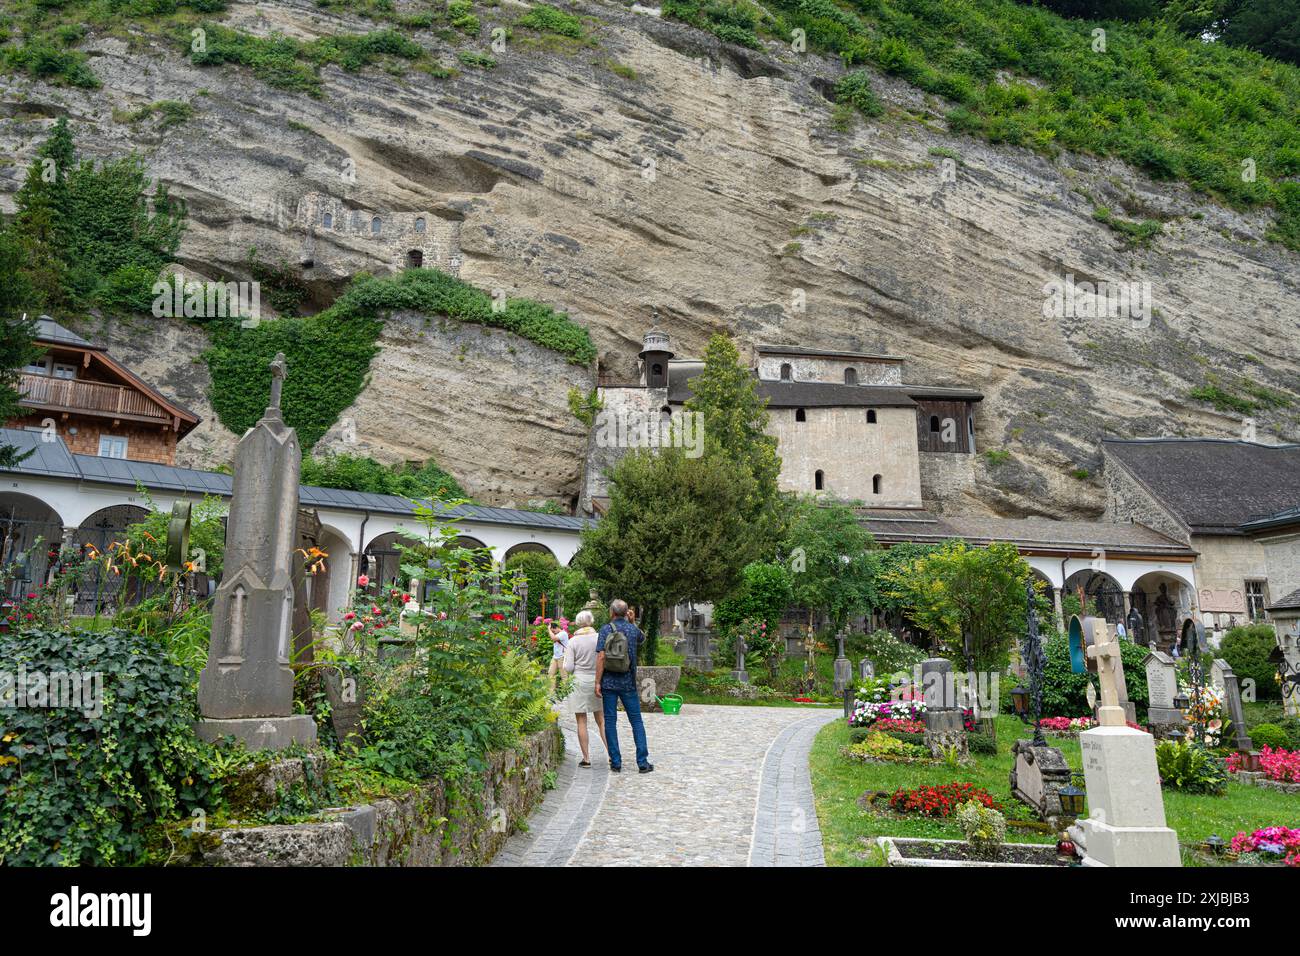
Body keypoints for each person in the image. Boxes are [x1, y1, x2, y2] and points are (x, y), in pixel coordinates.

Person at [596, 599, 653, 774]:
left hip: (609, 683)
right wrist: (633, 621)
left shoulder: (605, 629)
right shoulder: (632, 629)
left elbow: (601, 657)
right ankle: (642, 762)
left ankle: (616, 762)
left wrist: (597, 682)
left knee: (610, 722)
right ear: (627, 612)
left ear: (611, 612)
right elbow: (642, 639)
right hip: (628, 682)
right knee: (636, 721)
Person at [561, 610, 605, 767]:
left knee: (581, 721)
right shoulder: (599, 637)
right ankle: (611, 755)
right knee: (601, 720)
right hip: (597, 680)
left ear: (578, 623)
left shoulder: (573, 641)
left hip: (579, 681)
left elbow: (568, 666)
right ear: (591, 621)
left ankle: (586, 758)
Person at [546, 619, 569, 694]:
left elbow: (553, 638)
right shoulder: (557, 633)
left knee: (564, 675)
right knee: (550, 673)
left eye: (553, 631)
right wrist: (551, 630)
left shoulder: (563, 634)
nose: (553, 633)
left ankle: (565, 693)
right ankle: (551, 693)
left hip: (562, 657)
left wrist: (549, 629)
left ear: (556, 628)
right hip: (555, 657)